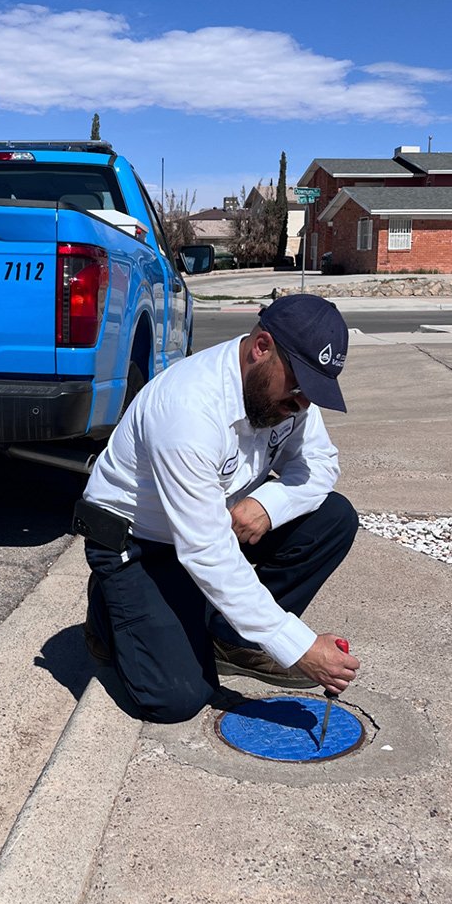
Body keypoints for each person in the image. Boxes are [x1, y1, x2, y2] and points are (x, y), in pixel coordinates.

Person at [73, 293, 361, 723]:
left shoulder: (288, 396)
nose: (303, 403)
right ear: (261, 347)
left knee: (333, 519)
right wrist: (296, 644)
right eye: (299, 384)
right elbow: (206, 551)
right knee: (176, 700)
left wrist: (269, 503)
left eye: (313, 392)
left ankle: (230, 639)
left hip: (210, 527)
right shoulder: (188, 409)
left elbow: (320, 464)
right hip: (139, 546)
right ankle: (109, 609)